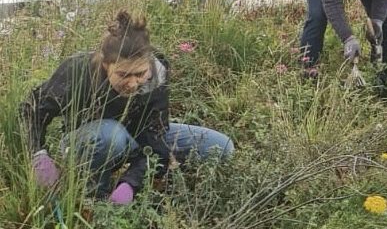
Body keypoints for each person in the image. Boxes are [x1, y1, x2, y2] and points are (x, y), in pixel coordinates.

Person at [21, 11, 234, 204]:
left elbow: (155, 135)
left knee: (220, 147)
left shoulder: (157, 73)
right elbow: (31, 109)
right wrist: (38, 154)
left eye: (140, 74)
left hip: (136, 139)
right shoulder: (78, 71)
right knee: (111, 135)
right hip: (89, 142)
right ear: (106, 65)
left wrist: (131, 182)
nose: (133, 84)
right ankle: (94, 197)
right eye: (123, 75)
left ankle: (128, 189)